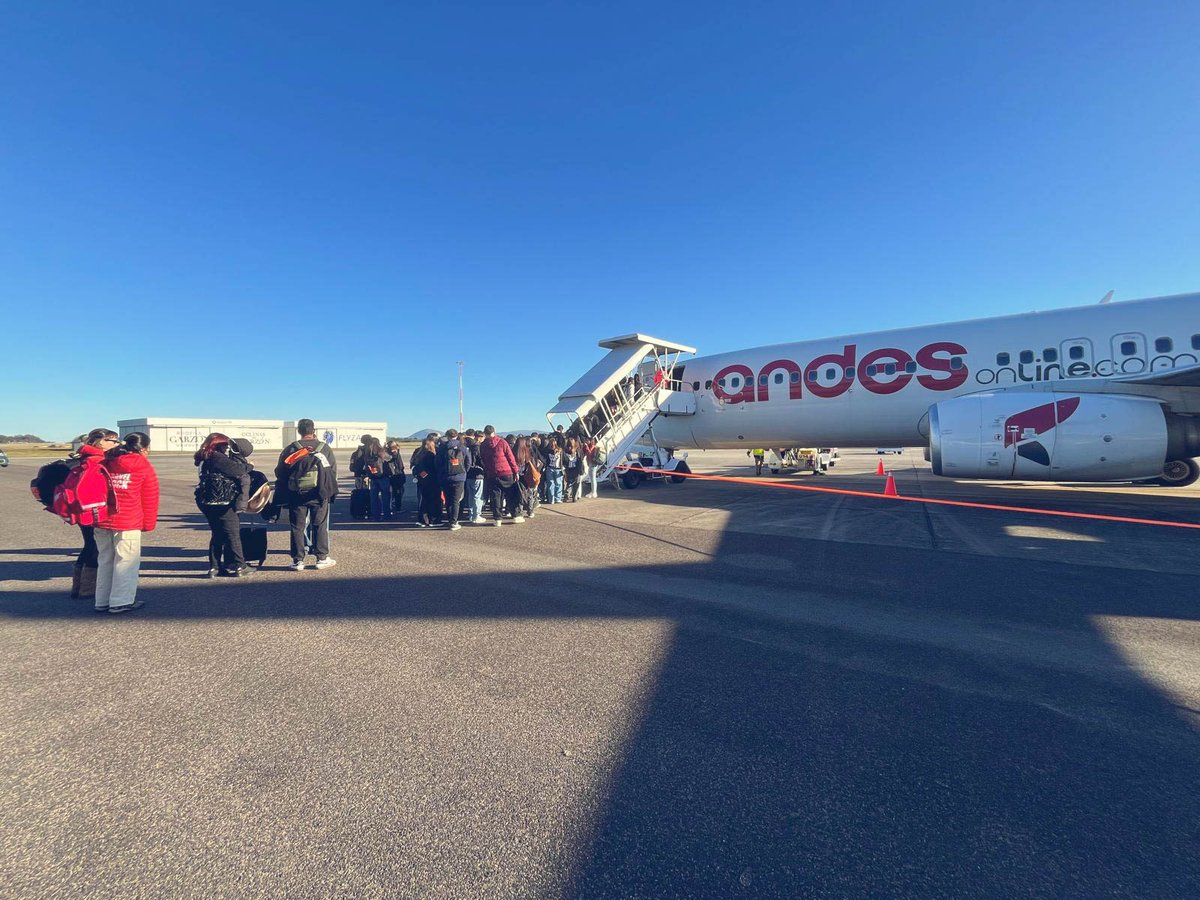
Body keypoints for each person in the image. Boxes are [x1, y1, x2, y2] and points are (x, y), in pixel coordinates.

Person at [94, 432, 159, 613]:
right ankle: (121, 601)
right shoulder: (142, 465)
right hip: (128, 520)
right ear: (144, 449)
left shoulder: (107, 460)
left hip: (102, 518)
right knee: (126, 561)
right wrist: (148, 524)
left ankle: (102, 600)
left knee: (105, 560)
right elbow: (150, 497)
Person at [275, 418, 338, 570]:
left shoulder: (291, 448)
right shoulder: (324, 448)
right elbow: (332, 471)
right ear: (313, 430)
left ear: (299, 431)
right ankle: (321, 558)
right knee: (320, 525)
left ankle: (298, 560)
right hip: (319, 493)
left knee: (297, 526)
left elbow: (280, 472)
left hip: (296, 493)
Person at [195, 433, 256, 578]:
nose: (227, 448)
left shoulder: (203, 458)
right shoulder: (217, 457)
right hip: (223, 502)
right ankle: (240, 566)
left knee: (217, 534)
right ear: (219, 445)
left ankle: (214, 567)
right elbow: (238, 470)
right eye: (225, 445)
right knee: (233, 533)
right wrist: (250, 466)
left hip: (207, 501)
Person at [479, 424, 521, 525]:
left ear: (485, 433)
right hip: (506, 472)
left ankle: (497, 519)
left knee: (495, 496)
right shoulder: (502, 442)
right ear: (494, 431)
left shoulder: (483, 445)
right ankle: (515, 515)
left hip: (492, 473)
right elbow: (510, 458)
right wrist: (516, 471)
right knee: (510, 495)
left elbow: (483, 459)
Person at [435, 429, 471, 531]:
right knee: (456, 500)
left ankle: (450, 519)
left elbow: (437, 463)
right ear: (456, 436)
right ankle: (454, 522)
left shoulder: (442, 448)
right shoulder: (462, 447)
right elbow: (468, 461)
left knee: (448, 500)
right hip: (459, 477)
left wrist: (442, 473)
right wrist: (463, 472)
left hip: (446, 477)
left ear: (447, 436)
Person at [411, 435, 441, 527]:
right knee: (434, 500)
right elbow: (436, 467)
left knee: (423, 500)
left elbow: (415, 467)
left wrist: (422, 475)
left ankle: (423, 520)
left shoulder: (418, 453)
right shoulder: (432, 454)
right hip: (433, 480)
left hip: (422, 480)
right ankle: (434, 520)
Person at [360, 437, 392, 521]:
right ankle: (386, 515)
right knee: (385, 497)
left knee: (374, 498)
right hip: (383, 477)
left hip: (373, 478)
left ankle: (375, 516)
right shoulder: (382, 452)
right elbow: (390, 458)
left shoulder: (368, 453)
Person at [463, 430, 486, 524]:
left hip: (468, 474)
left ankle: (471, 514)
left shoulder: (466, 446)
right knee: (478, 495)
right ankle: (477, 515)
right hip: (477, 474)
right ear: (480, 437)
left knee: (471, 495)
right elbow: (480, 460)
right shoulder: (477, 447)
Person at [385, 440, 407, 514]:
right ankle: (397, 507)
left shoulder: (385, 453)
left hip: (391, 474)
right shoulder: (395, 453)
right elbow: (399, 465)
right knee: (398, 491)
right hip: (396, 474)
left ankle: (393, 504)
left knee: (396, 491)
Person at [543, 437, 565, 504]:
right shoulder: (549, 451)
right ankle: (555, 498)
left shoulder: (559, 451)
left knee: (554, 484)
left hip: (554, 468)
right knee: (555, 484)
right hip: (552, 468)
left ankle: (554, 499)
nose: (552, 446)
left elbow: (563, 459)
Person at [563, 436, 584, 502]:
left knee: (572, 483)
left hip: (573, 468)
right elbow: (581, 459)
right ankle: (571, 496)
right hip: (572, 468)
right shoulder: (576, 450)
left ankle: (570, 496)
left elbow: (581, 459)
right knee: (572, 483)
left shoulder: (577, 451)